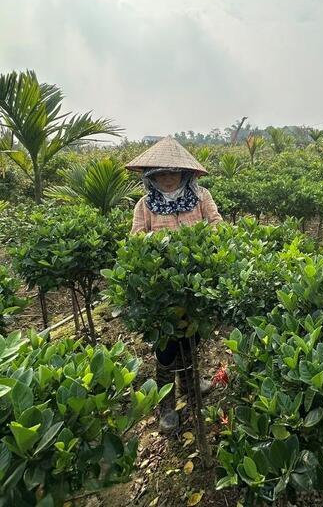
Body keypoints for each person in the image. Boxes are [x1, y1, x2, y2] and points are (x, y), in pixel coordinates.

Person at [126, 136, 223, 433]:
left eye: (174, 173)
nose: (168, 179)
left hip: (196, 282)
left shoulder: (201, 196)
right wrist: (159, 248)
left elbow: (217, 224)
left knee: (193, 336)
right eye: (161, 174)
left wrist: (203, 244)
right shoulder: (145, 204)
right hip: (162, 286)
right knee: (167, 344)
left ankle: (190, 385)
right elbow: (136, 238)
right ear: (151, 177)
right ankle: (167, 402)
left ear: (185, 174)